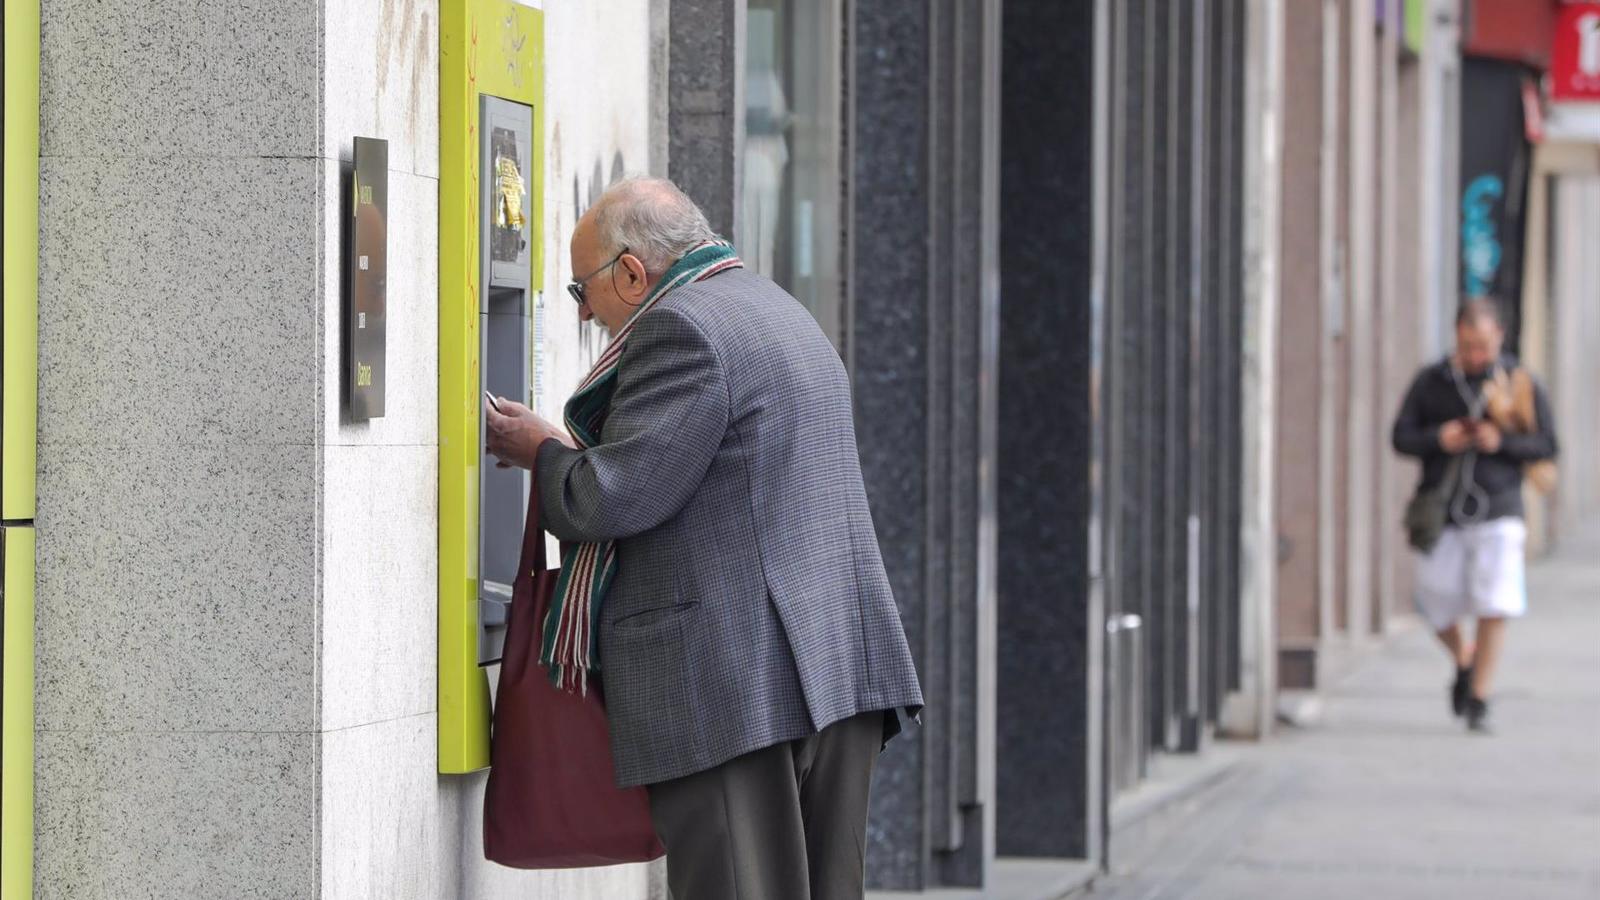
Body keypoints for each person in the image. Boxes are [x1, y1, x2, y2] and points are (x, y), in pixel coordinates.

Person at [484, 176, 924, 899]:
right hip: (830, 666)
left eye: (580, 289)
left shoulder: (679, 328)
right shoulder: (773, 308)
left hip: (735, 682)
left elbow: (611, 498)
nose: (586, 310)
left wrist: (543, 452)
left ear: (631, 271)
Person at [1391, 297, 1558, 733]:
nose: (1475, 356)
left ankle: (1479, 697)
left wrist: (1498, 442)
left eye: (1483, 346)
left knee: (1495, 601)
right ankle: (1465, 658)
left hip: (1499, 506)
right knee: (1433, 597)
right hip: (1443, 509)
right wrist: (1438, 438)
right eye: (1468, 346)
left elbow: (1547, 445)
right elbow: (1401, 436)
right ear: (1456, 339)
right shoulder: (1432, 382)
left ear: (1499, 337)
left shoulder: (1519, 383)